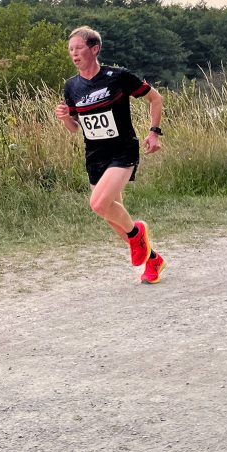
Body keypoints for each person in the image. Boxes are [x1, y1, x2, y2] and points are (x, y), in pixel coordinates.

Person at [54, 26, 166, 283]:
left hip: (122, 150)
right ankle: (153, 260)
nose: (74, 53)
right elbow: (75, 128)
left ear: (95, 49)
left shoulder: (118, 76)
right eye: (70, 49)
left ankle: (138, 234)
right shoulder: (71, 86)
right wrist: (64, 119)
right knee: (113, 213)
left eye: (79, 48)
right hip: (95, 156)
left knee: (98, 204)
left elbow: (155, 99)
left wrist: (154, 133)